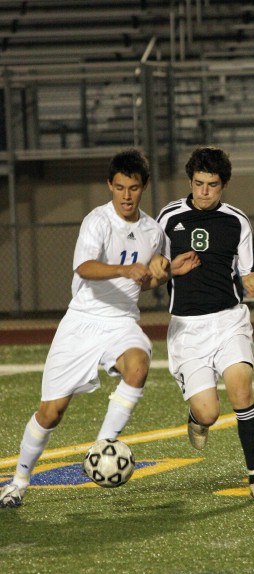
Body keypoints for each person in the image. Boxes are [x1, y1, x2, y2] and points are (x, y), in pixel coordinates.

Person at [0, 148, 199, 508]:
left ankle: (104, 444)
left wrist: (170, 271)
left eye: (134, 188)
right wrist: (125, 270)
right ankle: (18, 481)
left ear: (143, 188)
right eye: (120, 187)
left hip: (122, 321)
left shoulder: (153, 231)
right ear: (110, 185)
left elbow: (144, 282)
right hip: (82, 321)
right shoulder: (97, 221)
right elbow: (85, 268)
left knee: (138, 366)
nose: (126, 195)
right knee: (51, 412)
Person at [155, 146, 254, 503]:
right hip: (187, 328)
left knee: (242, 392)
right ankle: (195, 418)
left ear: (223, 185)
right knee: (209, 412)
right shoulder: (168, 217)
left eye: (212, 185)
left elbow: (248, 270)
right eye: (198, 183)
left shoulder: (236, 220)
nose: (204, 191)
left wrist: (252, 279)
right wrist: (165, 268)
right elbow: (154, 268)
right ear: (190, 181)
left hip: (229, 321)